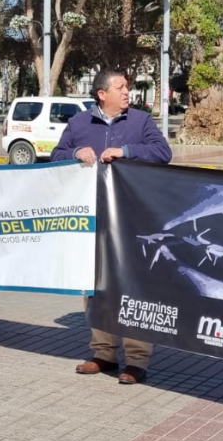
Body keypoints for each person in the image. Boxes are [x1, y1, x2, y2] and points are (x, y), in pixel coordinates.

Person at [51, 69, 173, 385]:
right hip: (92, 219)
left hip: (133, 220)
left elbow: (163, 153)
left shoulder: (140, 121)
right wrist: (75, 152)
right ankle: (103, 353)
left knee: (133, 287)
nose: (127, 91)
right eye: (120, 87)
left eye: (127, 87)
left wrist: (126, 151)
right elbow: (55, 156)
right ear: (102, 94)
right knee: (96, 287)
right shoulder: (79, 123)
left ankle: (136, 359)